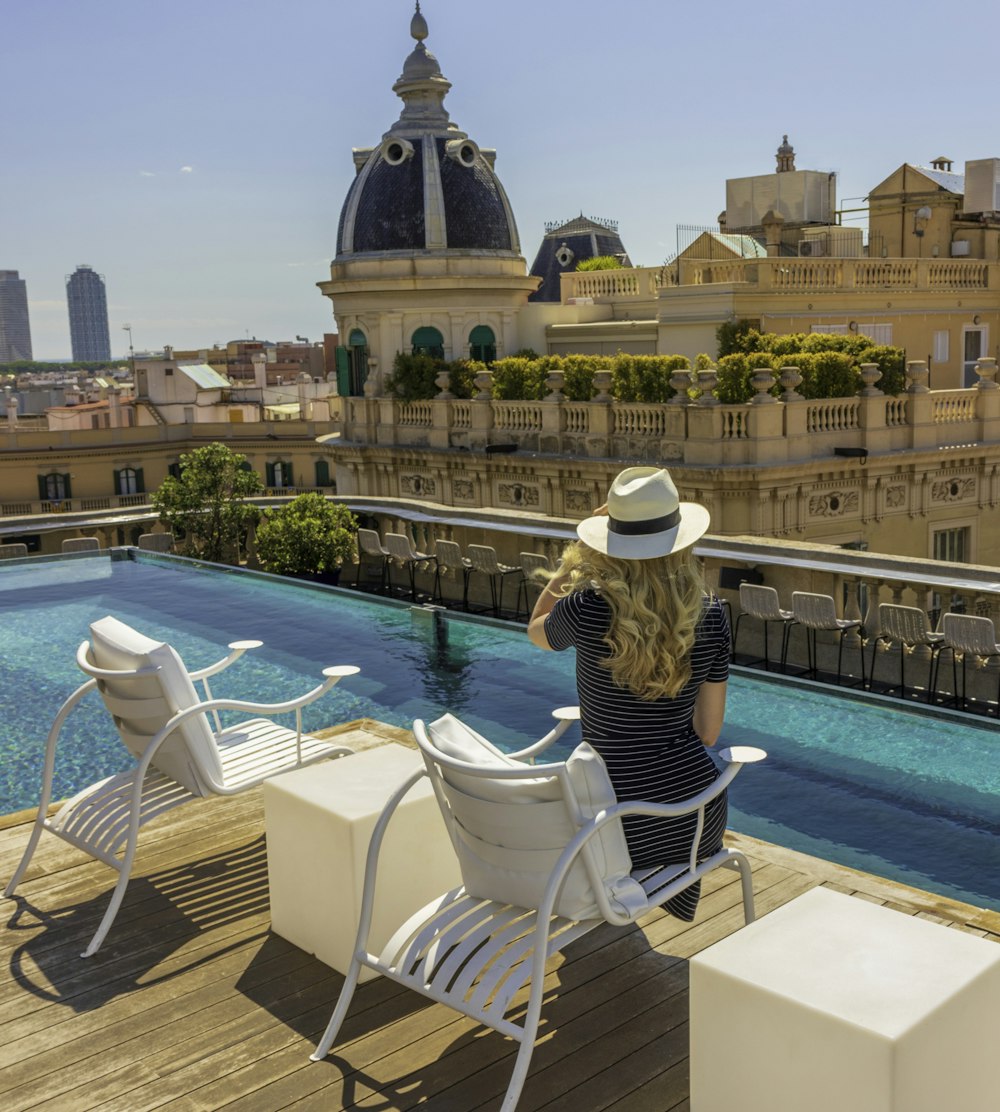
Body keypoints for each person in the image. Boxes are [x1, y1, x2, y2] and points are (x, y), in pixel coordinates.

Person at [527, 466, 729, 920]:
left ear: (610, 541)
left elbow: (536, 630)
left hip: (610, 821)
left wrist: (575, 559)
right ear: (682, 540)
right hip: (692, 816)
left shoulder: (588, 607)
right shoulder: (713, 614)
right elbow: (709, 734)